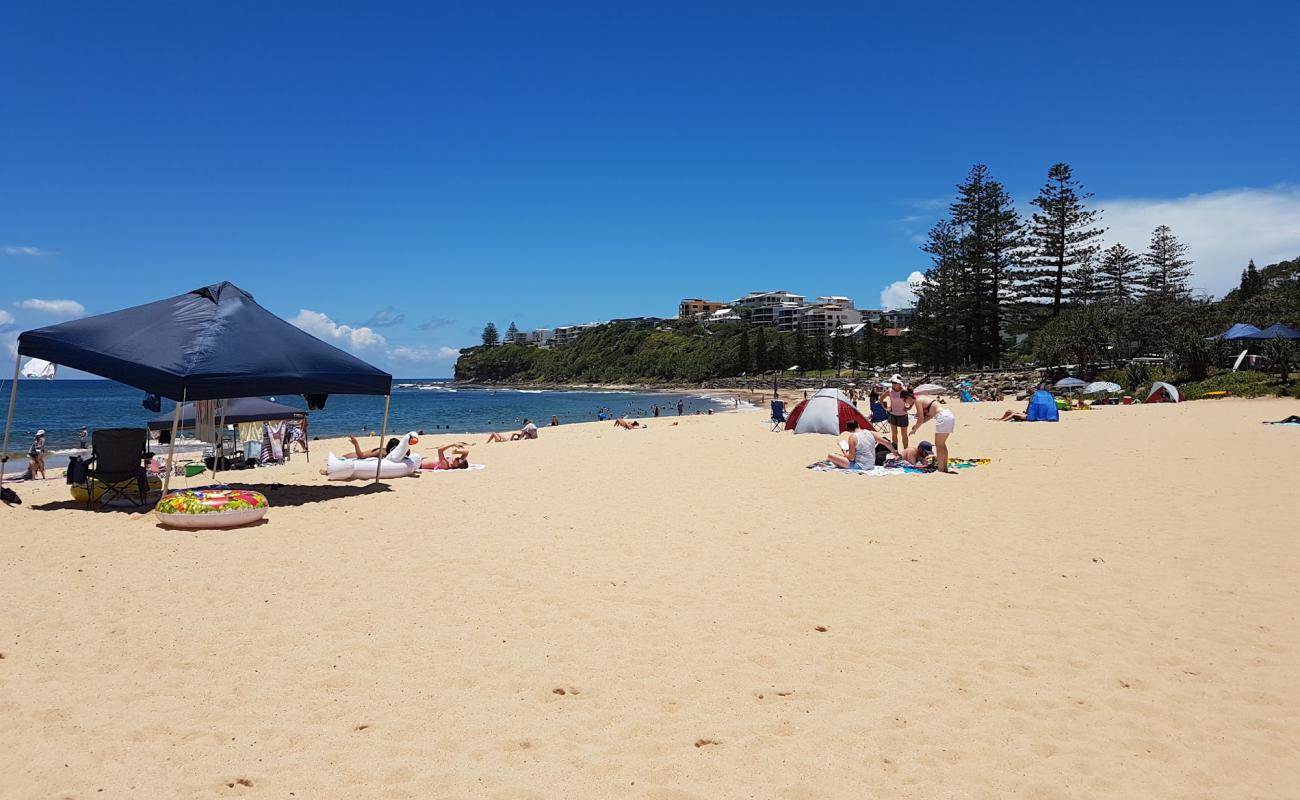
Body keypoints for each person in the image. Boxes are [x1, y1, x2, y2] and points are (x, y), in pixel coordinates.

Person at [905, 391, 956, 474]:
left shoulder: (918, 401)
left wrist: (914, 430)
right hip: (948, 415)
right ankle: (944, 467)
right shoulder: (923, 398)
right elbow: (929, 416)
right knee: (942, 444)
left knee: (939, 445)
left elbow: (920, 418)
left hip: (942, 417)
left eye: (905, 400)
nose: (906, 403)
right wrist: (917, 426)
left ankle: (940, 469)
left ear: (908, 397)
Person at [826, 420, 898, 470]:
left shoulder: (852, 437)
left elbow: (851, 458)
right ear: (858, 425)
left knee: (830, 456)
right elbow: (887, 443)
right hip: (871, 464)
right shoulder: (870, 433)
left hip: (860, 466)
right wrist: (894, 451)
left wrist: (844, 451)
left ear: (849, 430)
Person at [885, 375, 909, 450]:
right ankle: (896, 451)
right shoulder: (889, 391)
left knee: (904, 435)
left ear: (899, 383)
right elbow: (881, 399)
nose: (893, 384)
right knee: (894, 435)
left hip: (903, 415)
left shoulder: (904, 391)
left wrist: (908, 407)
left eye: (895, 383)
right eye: (892, 382)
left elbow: (913, 400)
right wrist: (886, 408)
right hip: (893, 415)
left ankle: (906, 451)